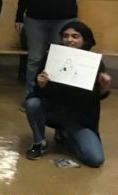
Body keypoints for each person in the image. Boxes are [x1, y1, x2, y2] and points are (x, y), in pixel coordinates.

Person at [25, 20, 110, 166]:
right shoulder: (51, 58)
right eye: (65, 36)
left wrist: (104, 87)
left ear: (85, 40)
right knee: (32, 103)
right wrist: (41, 84)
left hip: (79, 119)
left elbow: (96, 98)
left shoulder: (93, 63)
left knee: (95, 159)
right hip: (53, 111)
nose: (69, 40)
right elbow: (36, 93)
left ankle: (66, 135)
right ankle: (39, 142)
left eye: (75, 36)